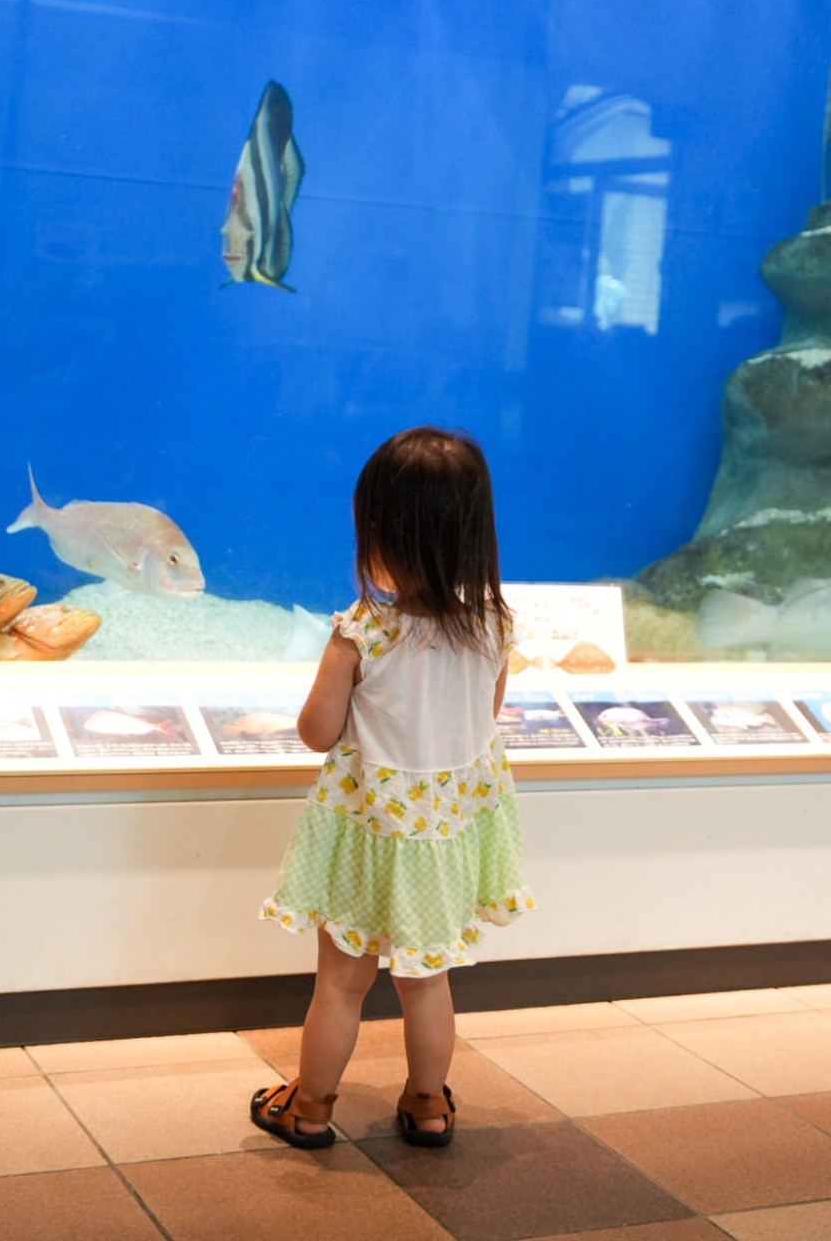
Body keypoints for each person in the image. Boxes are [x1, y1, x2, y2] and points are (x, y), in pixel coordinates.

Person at [251, 425, 534, 1151]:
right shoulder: (494, 627)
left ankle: (309, 1107)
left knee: (341, 985)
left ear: (378, 529)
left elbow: (317, 732)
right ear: (476, 532)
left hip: (367, 835)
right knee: (427, 981)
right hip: (440, 843)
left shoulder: (362, 631)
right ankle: (429, 1103)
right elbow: (484, 715)